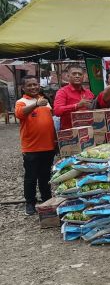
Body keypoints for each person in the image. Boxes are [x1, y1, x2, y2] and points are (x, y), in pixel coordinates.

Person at [15, 76, 56, 215]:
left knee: (45, 176)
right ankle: (30, 203)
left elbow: (51, 122)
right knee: (31, 177)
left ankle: (46, 200)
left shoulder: (46, 101)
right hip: (31, 148)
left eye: (35, 84)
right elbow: (19, 114)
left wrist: (55, 142)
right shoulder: (21, 102)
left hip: (48, 146)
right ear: (23, 88)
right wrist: (36, 104)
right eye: (29, 85)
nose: (33, 87)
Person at [53, 64, 95, 129]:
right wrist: (77, 106)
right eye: (74, 74)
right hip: (70, 131)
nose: (77, 76)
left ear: (83, 77)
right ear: (68, 76)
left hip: (88, 130)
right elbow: (57, 111)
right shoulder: (62, 92)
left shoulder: (89, 93)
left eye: (80, 74)